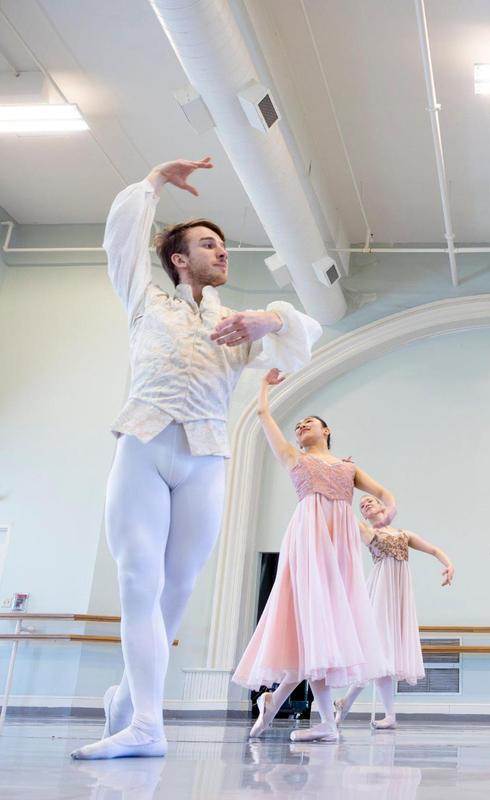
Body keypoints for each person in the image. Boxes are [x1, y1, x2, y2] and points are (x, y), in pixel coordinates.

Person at [72, 158, 321, 760]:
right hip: (144, 447)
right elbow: (122, 239)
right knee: (139, 580)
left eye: (224, 244)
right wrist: (154, 180)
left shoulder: (239, 324)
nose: (222, 251)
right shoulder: (144, 300)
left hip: (206, 458)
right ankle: (147, 727)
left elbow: (305, 340)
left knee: (176, 591)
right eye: (208, 244)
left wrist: (274, 316)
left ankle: (129, 702)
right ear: (179, 259)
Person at [234, 369, 395, 743]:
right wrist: (263, 386)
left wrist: (389, 512)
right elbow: (263, 417)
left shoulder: (348, 468)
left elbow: (386, 494)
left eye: (310, 422)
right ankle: (325, 723)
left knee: (322, 628)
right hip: (308, 541)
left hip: (339, 549)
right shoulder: (294, 458)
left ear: (326, 431)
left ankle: (273, 703)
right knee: (315, 621)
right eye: (299, 424)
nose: (301, 426)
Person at [333, 495, 454, 730]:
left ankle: (349, 704)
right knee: (379, 654)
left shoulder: (404, 534)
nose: (366, 503)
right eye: (362, 505)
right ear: (364, 515)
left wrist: (449, 564)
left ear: (382, 506)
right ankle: (379, 713)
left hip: (398, 597)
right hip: (379, 595)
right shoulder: (367, 532)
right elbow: (343, 509)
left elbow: (433, 549)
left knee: (383, 656)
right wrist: (345, 479)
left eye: (370, 500)